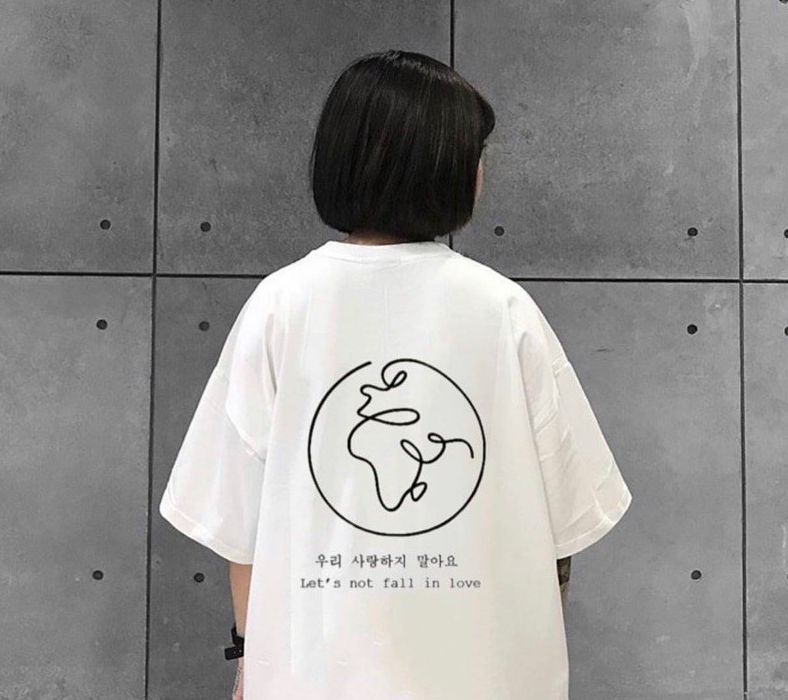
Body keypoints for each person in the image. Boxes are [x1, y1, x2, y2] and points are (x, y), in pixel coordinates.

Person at [158, 49, 632, 700]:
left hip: (313, 679)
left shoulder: (281, 305)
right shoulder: (504, 310)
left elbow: (237, 527)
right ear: (441, 166)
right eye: (476, 154)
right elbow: (564, 523)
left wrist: (250, 662)